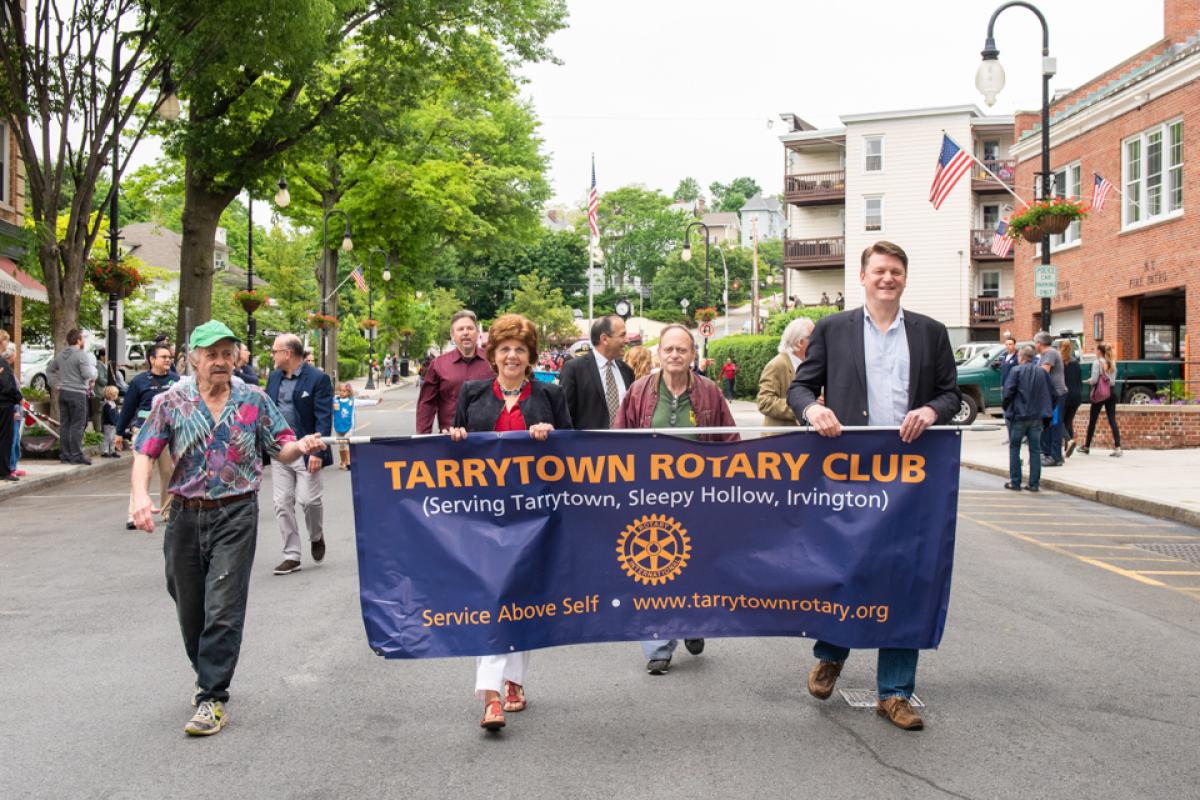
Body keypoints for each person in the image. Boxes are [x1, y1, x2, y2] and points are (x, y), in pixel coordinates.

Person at [787, 240, 960, 732]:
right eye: (879, 271)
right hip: (851, 471)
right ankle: (831, 654)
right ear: (862, 278)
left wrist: (931, 411)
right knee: (849, 564)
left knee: (909, 572)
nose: (888, 278)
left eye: (896, 271)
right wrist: (812, 409)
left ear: (905, 278)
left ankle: (896, 692)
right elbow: (800, 387)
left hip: (913, 476)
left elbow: (949, 394)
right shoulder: (833, 329)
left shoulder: (931, 333)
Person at [130, 320, 326, 736]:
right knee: (190, 608)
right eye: (212, 354)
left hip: (235, 513)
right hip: (184, 514)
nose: (220, 361)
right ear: (194, 358)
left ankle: (212, 697)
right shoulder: (172, 401)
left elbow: (283, 447)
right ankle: (206, 673)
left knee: (223, 605)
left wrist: (302, 445)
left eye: (227, 353)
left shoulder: (253, 399)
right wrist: (139, 496)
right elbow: (145, 451)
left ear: (236, 356)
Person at [448, 313, 573, 731]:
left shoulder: (550, 394)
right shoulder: (472, 393)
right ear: (493, 355)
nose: (513, 356)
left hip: (535, 515)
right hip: (484, 515)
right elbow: (453, 454)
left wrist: (551, 435)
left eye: (520, 349)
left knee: (522, 596)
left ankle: (515, 680)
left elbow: (573, 450)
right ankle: (491, 695)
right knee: (493, 598)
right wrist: (457, 440)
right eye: (505, 349)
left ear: (531, 356)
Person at [614, 324, 737, 675]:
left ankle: (694, 622)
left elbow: (730, 440)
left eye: (682, 350)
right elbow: (618, 440)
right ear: (658, 353)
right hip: (649, 495)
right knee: (654, 568)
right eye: (668, 349)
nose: (674, 355)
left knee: (696, 564)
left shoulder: (711, 392)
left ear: (693, 355)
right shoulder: (638, 391)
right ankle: (658, 644)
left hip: (699, 496)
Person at [266, 334, 333, 575]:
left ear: (288, 353)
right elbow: (266, 411)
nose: (271, 355)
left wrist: (318, 450)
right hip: (280, 450)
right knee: (282, 503)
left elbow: (324, 416)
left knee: (308, 501)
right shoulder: (273, 378)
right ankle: (291, 555)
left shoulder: (317, 379)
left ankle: (316, 535)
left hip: (307, 449)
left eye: (274, 351)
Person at [116, 344, 180, 530]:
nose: (168, 360)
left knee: (168, 472)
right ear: (151, 359)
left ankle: (168, 512)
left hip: (169, 434)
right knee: (142, 473)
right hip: (143, 431)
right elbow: (128, 408)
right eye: (163, 357)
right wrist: (119, 433)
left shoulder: (176, 381)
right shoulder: (139, 381)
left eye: (169, 357)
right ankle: (133, 514)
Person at [416, 310, 494, 434]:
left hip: (487, 438)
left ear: (478, 332)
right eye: (460, 329)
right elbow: (427, 404)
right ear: (452, 335)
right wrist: (423, 438)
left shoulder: (493, 361)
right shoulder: (438, 365)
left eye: (470, 328)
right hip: (450, 438)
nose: (465, 333)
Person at [559, 315, 633, 430]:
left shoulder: (627, 371)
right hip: (587, 446)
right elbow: (564, 416)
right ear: (604, 339)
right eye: (622, 335)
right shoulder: (574, 369)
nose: (627, 340)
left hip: (624, 445)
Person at [1002, 345, 1053, 492]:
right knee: (1035, 450)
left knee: (1014, 447)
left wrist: (1007, 408)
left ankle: (1015, 481)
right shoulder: (1042, 372)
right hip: (1036, 416)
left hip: (1019, 415)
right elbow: (1052, 393)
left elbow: (1008, 392)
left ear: (1022, 357)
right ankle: (1034, 483)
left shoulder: (1016, 371)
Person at [46, 328, 97, 465]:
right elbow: (87, 375)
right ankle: (76, 455)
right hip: (78, 393)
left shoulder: (61, 355)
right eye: (83, 338)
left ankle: (66, 454)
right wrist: (94, 374)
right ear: (78, 340)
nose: (84, 341)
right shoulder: (81, 355)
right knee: (77, 425)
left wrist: (55, 384)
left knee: (65, 425)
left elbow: (49, 370)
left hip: (64, 393)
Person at [757, 317, 815, 429]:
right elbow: (764, 402)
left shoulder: (810, 364)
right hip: (781, 441)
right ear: (800, 342)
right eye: (813, 337)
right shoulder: (777, 364)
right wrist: (804, 409)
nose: (817, 341)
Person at [1079, 342, 1122, 457]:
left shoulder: (1097, 363)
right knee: (1112, 420)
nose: (1095, 352)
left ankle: (1087, 446)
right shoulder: (1112, 363)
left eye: (1095, 350)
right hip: (1111, 393)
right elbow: (1111, 381)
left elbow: (1094, 380)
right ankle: (1118, 447)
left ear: (1099, 351)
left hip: (1099, 394)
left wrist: (1089, 381)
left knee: (1093, 420)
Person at [1033, 332, 1067, 467]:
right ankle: (1049, 454)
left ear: (1039, 343)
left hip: (1057, 395)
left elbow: (1043, 371)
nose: (1035, 345)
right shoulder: (1046, 354)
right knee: (1048, 425)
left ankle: (1055, 457)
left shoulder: (1050, 353)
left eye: (1035, 342)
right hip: (1050, 395)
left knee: (1055, 425)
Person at [1060, 340, 1082, 458]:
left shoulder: (1060, 363)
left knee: (1059, 420)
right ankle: (1067, 449)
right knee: (1068, 421)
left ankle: (1068, 441)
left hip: (1064, 395)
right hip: (1076, 395)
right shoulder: (1075, 362)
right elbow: (1079, 380)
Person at [0, 350, 20, 482]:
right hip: (4, 405)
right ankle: (4, 470)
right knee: (5, 439)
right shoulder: (3, 366)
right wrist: (18, 399)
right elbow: (8, 386)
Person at [332, 382, 356, 470]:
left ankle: (348, 462)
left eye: (344, 391)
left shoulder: (352, 401)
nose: (342, 393)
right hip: (338, 427)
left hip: (348, 427)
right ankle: (343, 462)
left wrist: (376, 402)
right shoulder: (334, 401)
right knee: (341, 446)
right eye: (340, 391)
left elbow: (363, 402)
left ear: (348, 392)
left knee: (345, 443)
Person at [100, 385, 120, 457]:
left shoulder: (113, 404)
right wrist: (113, 422)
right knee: (107, 438)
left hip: (113, 424)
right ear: (111, 395)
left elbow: (116, 414)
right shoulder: (107, 405)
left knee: (113, 438)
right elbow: (108, 416)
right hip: (108, 424)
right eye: (115, 395)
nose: (117, 396)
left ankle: (112, 451)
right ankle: (105, 451)